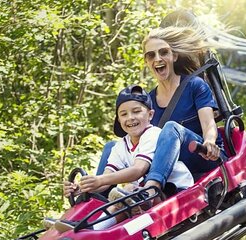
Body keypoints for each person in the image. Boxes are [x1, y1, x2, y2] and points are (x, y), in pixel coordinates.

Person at [52, 84, 193, 232]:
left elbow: (139, 169)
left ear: (150, 115)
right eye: (124, 114)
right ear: (118, 120)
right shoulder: (120, 146)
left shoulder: (153, 134)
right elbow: (107, 178)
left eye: (136, 111)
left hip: (175, 191)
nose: (130, 118)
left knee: (128, 191)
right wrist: (81, 188)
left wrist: (100, 180)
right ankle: (89, 228)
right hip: (144, 194)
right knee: (125, 198)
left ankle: (92, 228)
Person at [139, 25, 226, 200]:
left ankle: (151, 191)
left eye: (163, 52)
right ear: (147, 61)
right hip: (173, 167)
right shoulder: (148, 101)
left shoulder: (195, 85)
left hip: (204, 155)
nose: (157, 58)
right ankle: (94, 197)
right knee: (114, 146)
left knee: (171, 128)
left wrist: (209, 142)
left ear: (174, 56)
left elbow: (209, 124)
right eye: (151, 55)